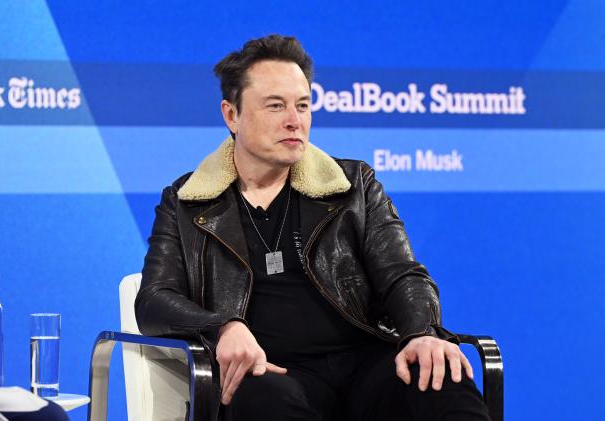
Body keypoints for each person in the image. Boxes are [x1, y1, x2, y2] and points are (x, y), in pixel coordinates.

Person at [135, 34, 491, 421]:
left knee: (440, 376)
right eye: (275, 106)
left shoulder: (353, 184)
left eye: (303, 106)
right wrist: (222, 327)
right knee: (259, 398)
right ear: (231, 115)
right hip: (273, 373)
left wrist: (423, 332)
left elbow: (403, 275)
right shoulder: (188, 201)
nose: (295, 120)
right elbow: (153, 299)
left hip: (366, 365)